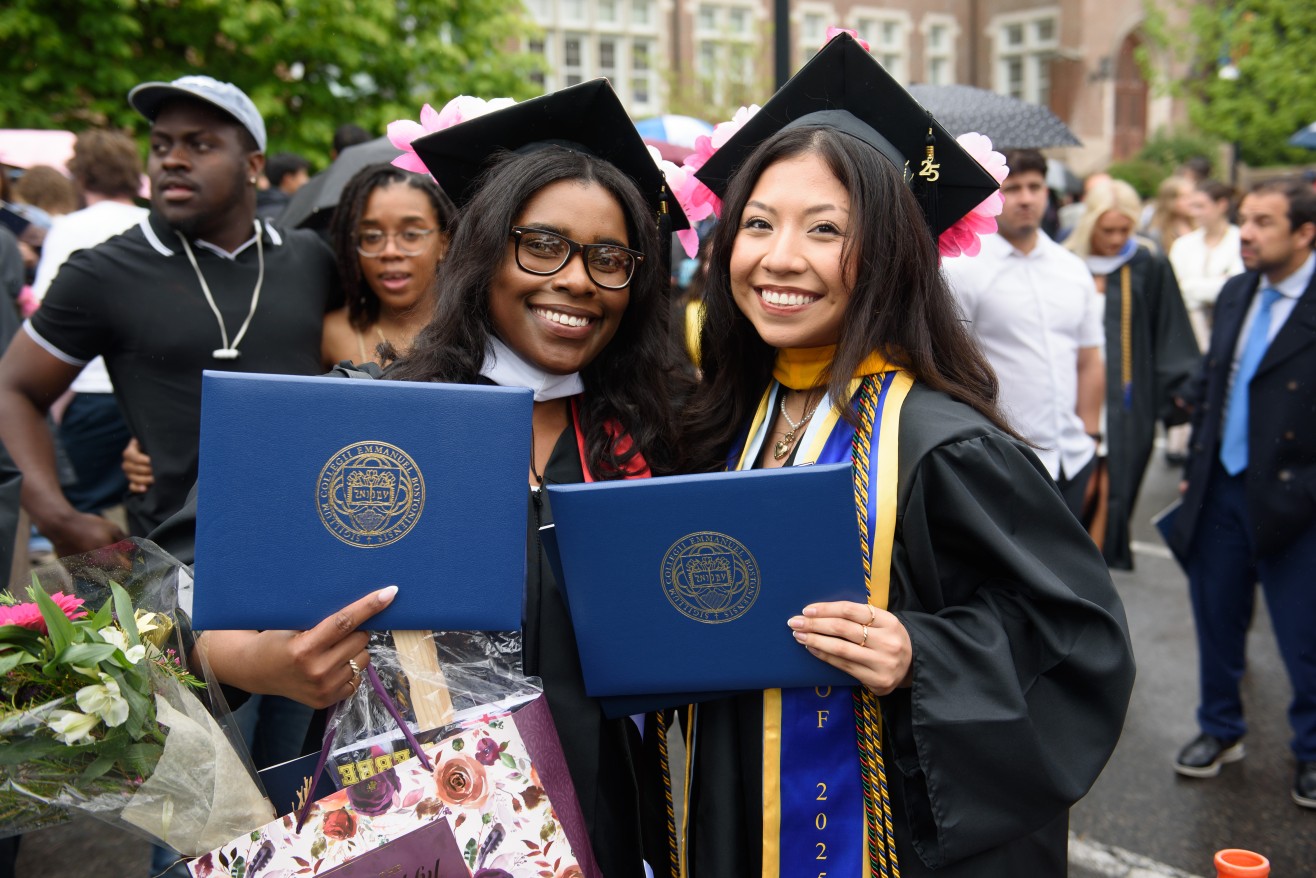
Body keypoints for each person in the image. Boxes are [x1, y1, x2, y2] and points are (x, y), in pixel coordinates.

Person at [186, 81, 690, 878]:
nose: (578, 281)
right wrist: (265, 664)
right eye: (543, 245)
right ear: (483, 252)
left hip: (607, 817)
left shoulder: (651, 441)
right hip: (415, 824)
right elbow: (190, 612)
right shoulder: (370, 417)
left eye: (609, 259)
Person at [680, 32, 1135, 876]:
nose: (779, 258)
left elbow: (1078, 640)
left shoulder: (945, 445)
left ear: (888, 256)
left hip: (888, 834)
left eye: (825, 229)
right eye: (757, 224)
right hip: (748, 806)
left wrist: (923, 653)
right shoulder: (738, 414)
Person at [0, 75, 341, 556]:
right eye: (160, 145)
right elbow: (13, 388)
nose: (172, 160)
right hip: (170, 558)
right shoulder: (105, 270)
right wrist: (59, 518)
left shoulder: (310, 258)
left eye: (200, 145)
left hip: (307, 538)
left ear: (253, 165)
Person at [1166, 178, 1316, 810]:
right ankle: (1221, 729)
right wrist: (1195, 449)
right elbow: (1215, 377)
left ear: (1306, 233)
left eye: (1263, 223)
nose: (1246, 234)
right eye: (1245, 220)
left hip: (1299, 501)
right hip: (1220, 488)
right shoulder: (1237, 291)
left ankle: (1310, 751)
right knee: (1217, 618)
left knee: (1304, 636)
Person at [944, 148, 1106, 524]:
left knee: (1073, 578)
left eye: (1035, 187)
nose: (1026, 198)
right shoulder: (963, 271)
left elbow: (1089, 360)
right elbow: (951, 369)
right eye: (1012, 188)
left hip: (1072, 456)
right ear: (992, 197)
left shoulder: (1072, 269)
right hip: (1004, 460)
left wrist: (1093, 441)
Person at [1065, 178, 1199, 569]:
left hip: (1128, 394)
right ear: (1090, 224)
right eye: (1108, 230)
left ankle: (1095, 566)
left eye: (1126, 229)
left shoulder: (1147, 262)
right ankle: (1072, 561)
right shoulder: (1064, 261)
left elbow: (1169, 326)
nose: (1117, 239)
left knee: (1117, 480)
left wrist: (1181, 386)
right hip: (1075, 389)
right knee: (1082, 480)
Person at [29, 129, 148, 518]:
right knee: (147, 508)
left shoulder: (71, 229)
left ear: (82, 175)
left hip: (90, 390)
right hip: (150, 391)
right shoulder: (154, 223)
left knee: (87, 511)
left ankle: (106, 582)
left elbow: (46, 317)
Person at [321, 162, 454, 365]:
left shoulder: (478, 330)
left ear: (444, 244)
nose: (390, 252)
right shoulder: (332, 336)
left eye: (410, 234)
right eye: (372, 237)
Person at [1170, 180, 1244, 349]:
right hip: (1188, 337)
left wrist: (1189, 286)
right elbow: (1173, 289)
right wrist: (1218, 284)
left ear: (1221, 205)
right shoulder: (1183, 244)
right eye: (1192, 206)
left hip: (1230, 333)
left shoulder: (1240, 241)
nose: (1194, 213)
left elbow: (1236, 287)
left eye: (1201, 206)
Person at [1142, 174, 1196, 255]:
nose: (1190, 201)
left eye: (1192, 196)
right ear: (1170, 201)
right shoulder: (1158, 233)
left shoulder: (1199, 225)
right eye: (1184, 197)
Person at [256, 151, 311, 221]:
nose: (307, 180)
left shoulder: (260, 205)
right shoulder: (287, 213)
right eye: (304, 175)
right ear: (288, 179)